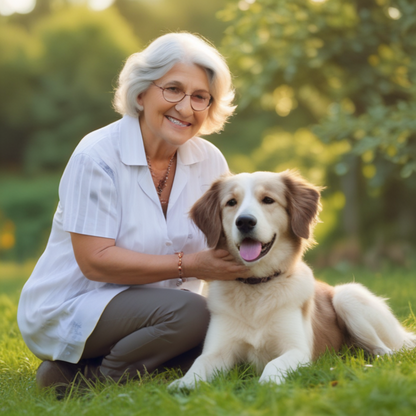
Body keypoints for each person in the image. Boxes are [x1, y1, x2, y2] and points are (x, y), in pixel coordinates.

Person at [17, 32, 251, 390]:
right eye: (172, 89)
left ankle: (89, 365)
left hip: (162, 310)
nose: (186, 108)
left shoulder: (210, 161)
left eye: (200, 97)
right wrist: (189, 265)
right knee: (197, 314)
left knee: (226, 339)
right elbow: (95, 261)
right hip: (75, 305)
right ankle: (91, 379)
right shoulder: (96, 156)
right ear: (142, 93)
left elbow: (231, 241)